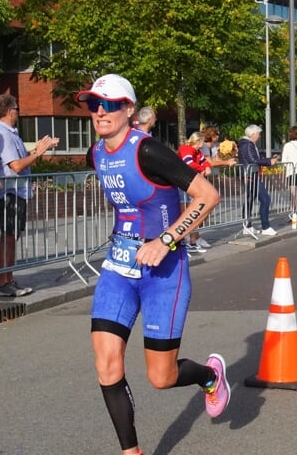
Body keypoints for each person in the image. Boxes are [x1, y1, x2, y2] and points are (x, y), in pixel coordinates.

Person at [77, 74, 230, 455]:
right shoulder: (96, 152)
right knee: (106, 363)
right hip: (119, 269)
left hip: (164, 271)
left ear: (128, 109)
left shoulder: (148, 151)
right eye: (94, 104)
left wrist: (166, 240)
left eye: (110, 104)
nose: (100, 112)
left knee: (161, 377)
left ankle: (210, 375)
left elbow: (207, 195)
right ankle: (132, 452)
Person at [0, 93, 59, 297]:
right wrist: (38, 152)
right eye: (17, 110)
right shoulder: (3, 134)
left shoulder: (11, 133)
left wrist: (38, 150)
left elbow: (21, 161)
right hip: (8, 192)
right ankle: (4, 281)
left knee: (13, 235)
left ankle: (8, 278)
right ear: (11, 111)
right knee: (8, 235)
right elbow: (16, 166)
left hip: (17, 191)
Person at [237, 124, 278, 237]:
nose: (259, 136)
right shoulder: (248, 145)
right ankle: (265, 226)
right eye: (259, 134)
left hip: (250, 175)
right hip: (251, 176)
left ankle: (247, 225)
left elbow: (253, 159)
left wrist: (268, 161)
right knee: (265, 199)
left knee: (249, 200)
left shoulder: (247, 144)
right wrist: (269, 161)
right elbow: (253, 160)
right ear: (253, 134)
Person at [177, 131, 211, 254]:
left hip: (190, 183)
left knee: (194, 211)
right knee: (186, 211)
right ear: (198, 141)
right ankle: (185, 240)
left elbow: (204, 161)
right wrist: (203, 168)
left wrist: (206, 166)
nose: (203, 145)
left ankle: (192, 239)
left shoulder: (197, 151)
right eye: (202, 142)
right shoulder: (186, 149)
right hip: (184, 183)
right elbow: (189, 163)